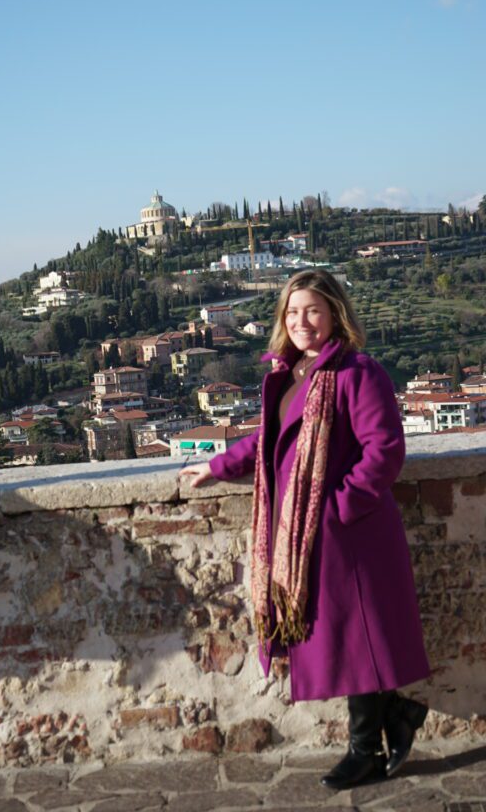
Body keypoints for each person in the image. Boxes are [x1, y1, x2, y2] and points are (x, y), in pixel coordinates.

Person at [180, 268, 430, 790]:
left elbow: (384, 452)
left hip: (350, 533)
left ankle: (364, 749)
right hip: (311, 535)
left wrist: (337, 508)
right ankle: (398, 717)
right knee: (347, 637)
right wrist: (217, 466)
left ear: (335, 313)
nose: (301, 321)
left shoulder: (358, 372)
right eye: (292, 312)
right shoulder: (291, 374)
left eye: (312, 310)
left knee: (357, 639)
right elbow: (269, 443)